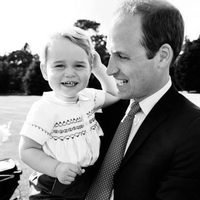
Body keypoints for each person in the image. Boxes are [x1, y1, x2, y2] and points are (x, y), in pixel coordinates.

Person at [85, 0, 200, 199]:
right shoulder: (106, 106)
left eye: (122, 56)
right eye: (110, 54)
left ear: (162, 56)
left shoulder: (193, 130)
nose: (110, 69)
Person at [18, 27, 119, 200]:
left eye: (79, 65)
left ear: (89, 68)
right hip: (53, 187)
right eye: (59, 65)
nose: (70, 73)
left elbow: (114, 94)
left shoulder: (89, 97)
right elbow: (27, 150)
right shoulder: (44, 108)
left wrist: (99, 68)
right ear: (44, 70)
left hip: (86, 182)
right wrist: (56, 167)